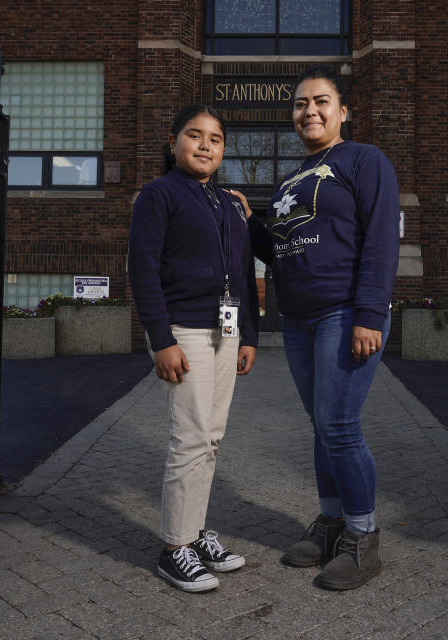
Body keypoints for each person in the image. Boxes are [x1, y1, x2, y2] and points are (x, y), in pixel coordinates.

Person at [242, 65, 400, 590]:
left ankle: (362, 537)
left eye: (321, 101)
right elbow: (282, 252)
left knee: (339, 425)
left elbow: (380, 238)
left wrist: (370, 314)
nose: (309, 110)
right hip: (297, 318)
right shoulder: (291, 177)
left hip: (344, 311)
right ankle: (331, 521)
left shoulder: (364, 160)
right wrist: (250, 225)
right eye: (300, 103)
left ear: (342, 111)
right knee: (322, 427)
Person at [128, 104, 259, 593]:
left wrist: (249, 334)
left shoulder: (228, 203)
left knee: (213, 435)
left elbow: (244, 274)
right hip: (182, 330)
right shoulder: (158, 195)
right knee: (190, 436)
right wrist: (161, 339)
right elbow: (142, 269)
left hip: (225, 334)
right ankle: (173, 549)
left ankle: (195, 532)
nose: (206, 145)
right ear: (173, 142)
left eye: (216, 139)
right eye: (195, 135)